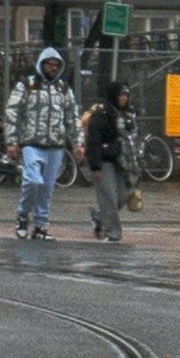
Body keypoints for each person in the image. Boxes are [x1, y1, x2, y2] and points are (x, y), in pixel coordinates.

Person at [6, 47, 76, 240]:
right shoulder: (27, 85)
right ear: (41, 64)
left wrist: (78, 143)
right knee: (33, 180)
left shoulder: (63, 89)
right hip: (31, 142)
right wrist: (12, 140)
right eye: (49, 64)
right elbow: (12, 111)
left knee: (47, 187)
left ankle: (40, 225)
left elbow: (71, 117)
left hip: (56, 145)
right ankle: (22, 215)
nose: (52, 68)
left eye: (56, 65)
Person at [80, 76, 130, 241]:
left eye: (126, 94)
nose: (124, 98)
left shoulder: (127, 114)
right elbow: (93, 140)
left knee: (123, 195)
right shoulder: (101, 113)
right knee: (109, 196)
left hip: (121, 161)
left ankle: (100, 218)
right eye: (121, 94)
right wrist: (95, 166)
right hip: (104, 160)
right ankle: (113, 233)